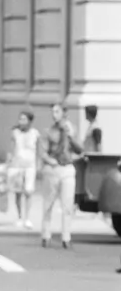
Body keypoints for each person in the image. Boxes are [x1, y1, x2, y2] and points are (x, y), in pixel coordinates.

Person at [41, 102, 84, 249]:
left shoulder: (72, 129)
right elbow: (43, 152)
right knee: (48, 203)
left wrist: (71, 136)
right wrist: (50, 161)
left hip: (67, 168)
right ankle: (46, 235)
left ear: (64, 113)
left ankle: (66, 237)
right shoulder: (49, 131)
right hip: (53, 168)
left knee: (67, 205)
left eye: (57, 112)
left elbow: (79, 150)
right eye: (53, 112)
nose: (54, 115)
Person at [7, 110, 40, 229]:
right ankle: (20, 216)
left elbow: (38, 151)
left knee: (28, 191)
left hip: (30, 166)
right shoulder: (15, 133)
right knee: (18, 192)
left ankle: (27, 218)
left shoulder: (35, 133)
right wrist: (8, 164)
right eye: (20, 119)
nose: (21, 121)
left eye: (24, 119)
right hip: (17, 165)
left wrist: (39, 165)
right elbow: (11, 149)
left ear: (30, 121)